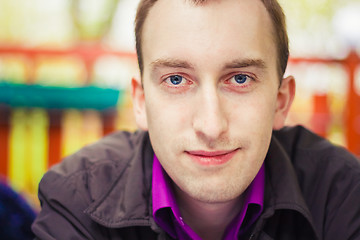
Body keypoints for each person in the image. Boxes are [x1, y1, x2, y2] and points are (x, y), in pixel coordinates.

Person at [31, 0, 360, 239]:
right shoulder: (77, 197)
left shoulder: (341, 194)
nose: (211, 126)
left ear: (280, 101)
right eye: (176, 80)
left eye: (240, 79)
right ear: (141, 102)